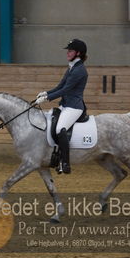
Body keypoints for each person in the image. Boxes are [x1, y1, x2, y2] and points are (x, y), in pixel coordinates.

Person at [35, 39, 88, 174]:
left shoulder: (79, 70)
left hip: (74, 107)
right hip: (65, 105)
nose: (68, 53)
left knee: (60, 129)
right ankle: (56, 157)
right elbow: (60, 86)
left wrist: (47, 98)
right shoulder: (72, 67)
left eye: (70, 51)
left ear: (78, 53)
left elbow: (66, 90)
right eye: (68, 51)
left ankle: (65, 163)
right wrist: (46, 92)